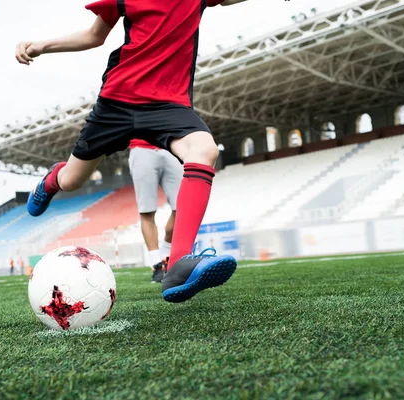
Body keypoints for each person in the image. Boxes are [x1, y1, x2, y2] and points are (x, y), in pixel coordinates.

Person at [16, 0, 247, 303]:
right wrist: (43, 45)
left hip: (168, 104)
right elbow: (94, 35)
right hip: (118, 101)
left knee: (204, 150)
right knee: (72, 180)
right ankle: (50, 181)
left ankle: (178, 265)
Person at [128, 139, 182, 283]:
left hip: (170, 148)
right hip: (141, 149)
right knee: (147, 212)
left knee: (182, 208)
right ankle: (157, 265)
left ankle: (165, 254)